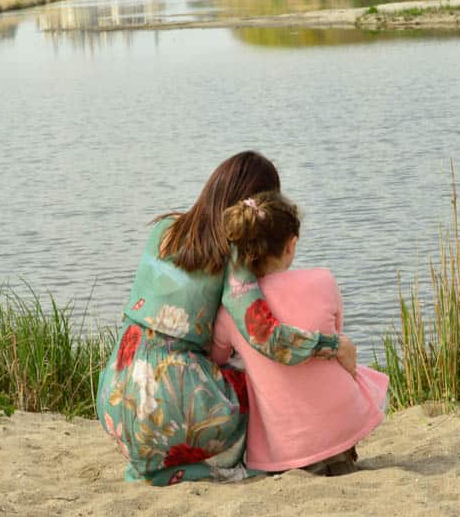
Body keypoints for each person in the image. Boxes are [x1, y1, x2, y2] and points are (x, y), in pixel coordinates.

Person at [95, 151, 357, 485]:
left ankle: (159, 463)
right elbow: (268, 338)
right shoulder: (231, 254)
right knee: (254, 375)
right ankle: (250, 460)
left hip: (116, 395)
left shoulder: (164, 229)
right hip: (167, 399)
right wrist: (334, 345)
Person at [210, 191, 389, 476]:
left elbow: (216, 357)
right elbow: (336, 335)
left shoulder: (231, 310)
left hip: (284, 445)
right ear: (290, 245)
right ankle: (340, 453)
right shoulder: (324, 280)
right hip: (343, 421)